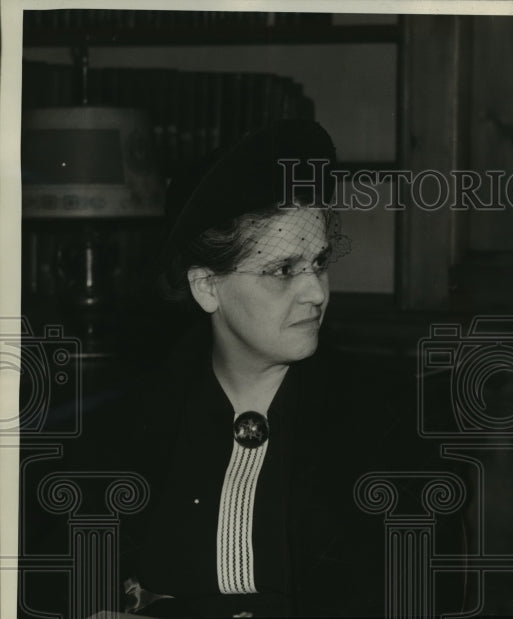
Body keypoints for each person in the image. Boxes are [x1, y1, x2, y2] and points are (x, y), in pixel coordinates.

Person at [112, 119, 386, 617]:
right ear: (207, 287)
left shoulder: (382, 420)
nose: (316, 292)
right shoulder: (130, 422)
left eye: (319, 263)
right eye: (282, 270)